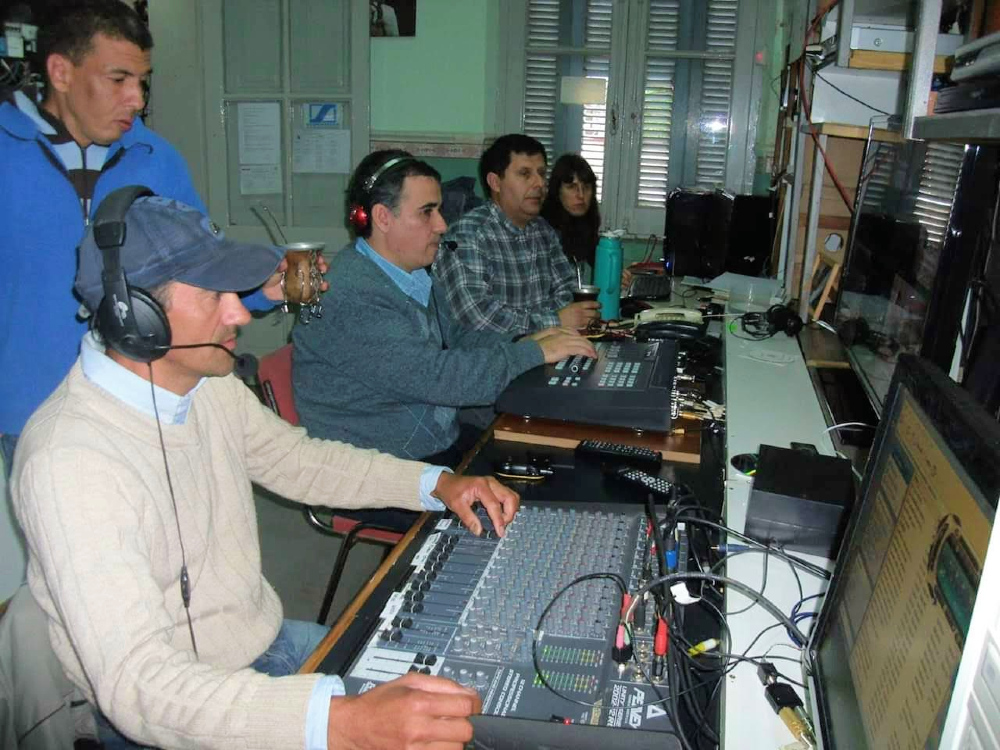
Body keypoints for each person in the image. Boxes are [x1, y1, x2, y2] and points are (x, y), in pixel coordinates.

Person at [11, 192, 520, 750]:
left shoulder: (205, 386)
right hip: (174, 718)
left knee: (460, 707)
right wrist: (344, 724)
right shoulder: (70, 462)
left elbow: (300, 460)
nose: (238, 312)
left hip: (266, 647)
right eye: (213, 295)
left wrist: (435, 484)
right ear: (136, 317)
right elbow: (143, 688)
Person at [0, 0, 289, 477]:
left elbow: (201, 266)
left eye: (141, 82)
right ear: (61, 72)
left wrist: (262, 285)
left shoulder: (157, 157)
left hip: (150, 400)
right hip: (35, 413)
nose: (137, 98)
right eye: (119, 80)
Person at [293, 150, 596, 468]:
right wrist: (533, 354)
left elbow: (458, 339)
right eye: (427, 212)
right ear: (382, 217)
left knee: (562, 459)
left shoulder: (413, 273)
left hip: (434, 445)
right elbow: (439, 378)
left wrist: (525, 342)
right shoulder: (352, 294)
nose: (441, 224)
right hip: (383, 468)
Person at [433, 134, 600, 336]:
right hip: (495, 362)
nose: (539, 183)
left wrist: (543, 320)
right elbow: (477, 317)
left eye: (541, 173)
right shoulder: (468, 235)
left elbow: (569, 292)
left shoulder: (543, 231)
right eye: (525, 174)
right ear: (495, 182)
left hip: (549, 349)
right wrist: (554, 320)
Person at [540, 153, 601, 282]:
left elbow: (596, 257)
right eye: (572, 187)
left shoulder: (585, 224)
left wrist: (618, 272)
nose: (581, 195)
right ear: (557, 191)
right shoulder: (543, 229)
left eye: (586, 187)